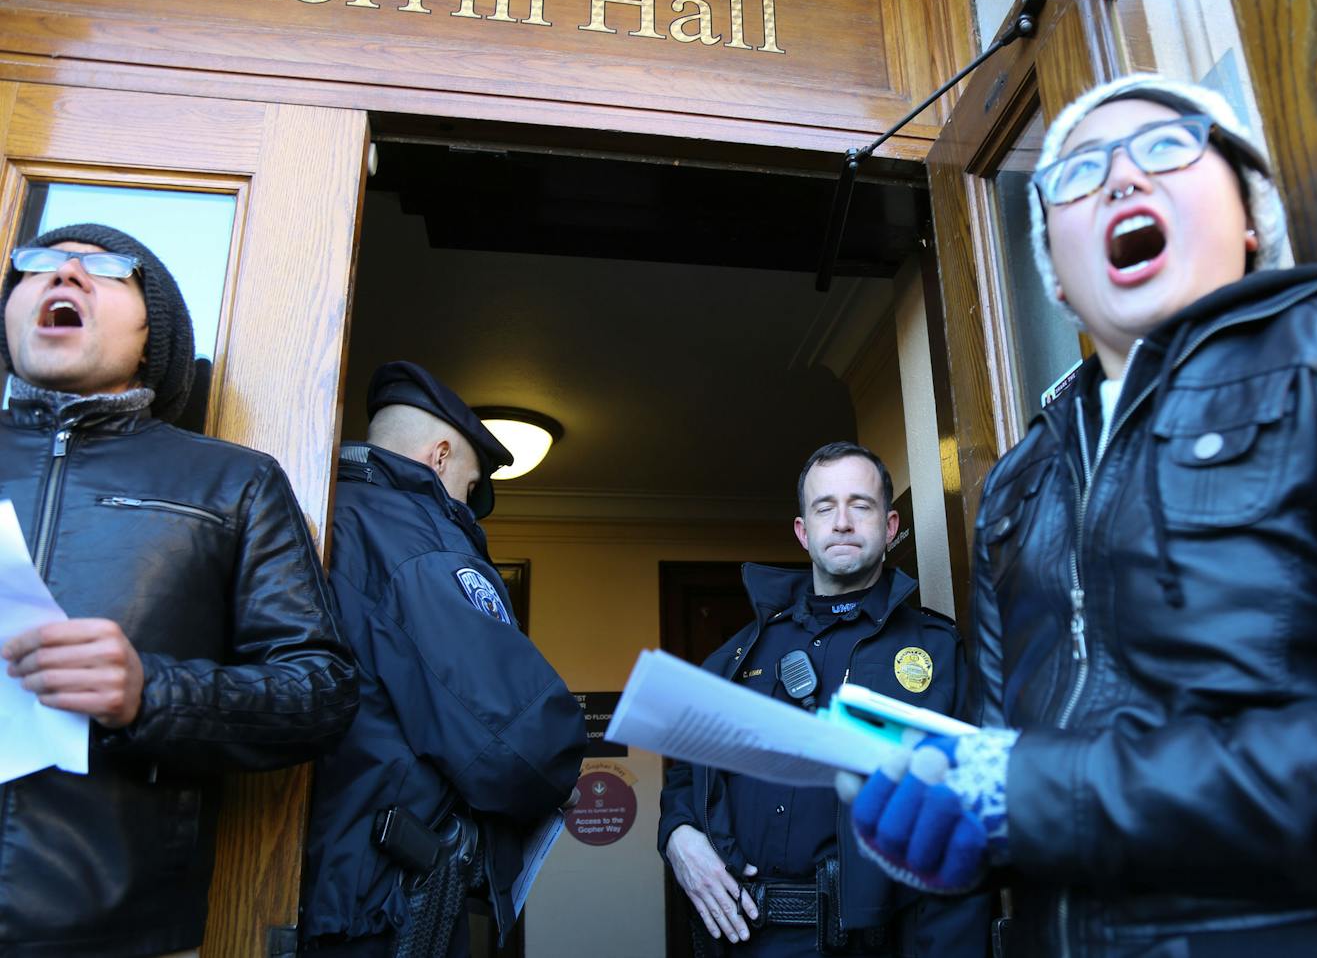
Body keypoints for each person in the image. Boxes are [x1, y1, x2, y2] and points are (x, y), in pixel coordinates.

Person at [841, 73, 1317, 955]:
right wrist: (964, 838)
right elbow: (1016, 754)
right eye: (1076, 172)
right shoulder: (1016, 482)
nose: (1120, 179)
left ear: (1250, 215)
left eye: (1165, 147)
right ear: (1059, 279)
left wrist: (1032, 796)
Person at [0, 223, 358, 957]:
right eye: (36, 265)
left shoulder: (232, 483)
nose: (63, 275)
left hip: (117, 935)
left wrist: (150, 694)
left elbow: (321, 692)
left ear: (152, 333)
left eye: (104, 269)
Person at [300, 361, 587, 957]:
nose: (464, 505)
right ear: (438, 457)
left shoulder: (320, 518)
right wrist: (559, 770)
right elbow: (515, 743)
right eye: (468, 482)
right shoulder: (419, 542)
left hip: (314, 887)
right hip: (381, 910)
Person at [658, 442, 988, 957]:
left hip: (874, 942)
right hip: (745, 937)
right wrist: (677, 833)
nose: (842, 522)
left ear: (891, 523)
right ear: (803, 531)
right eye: (824, 507)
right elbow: (687, 771)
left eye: (861, 505)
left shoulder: (936, 651)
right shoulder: (741, 652)